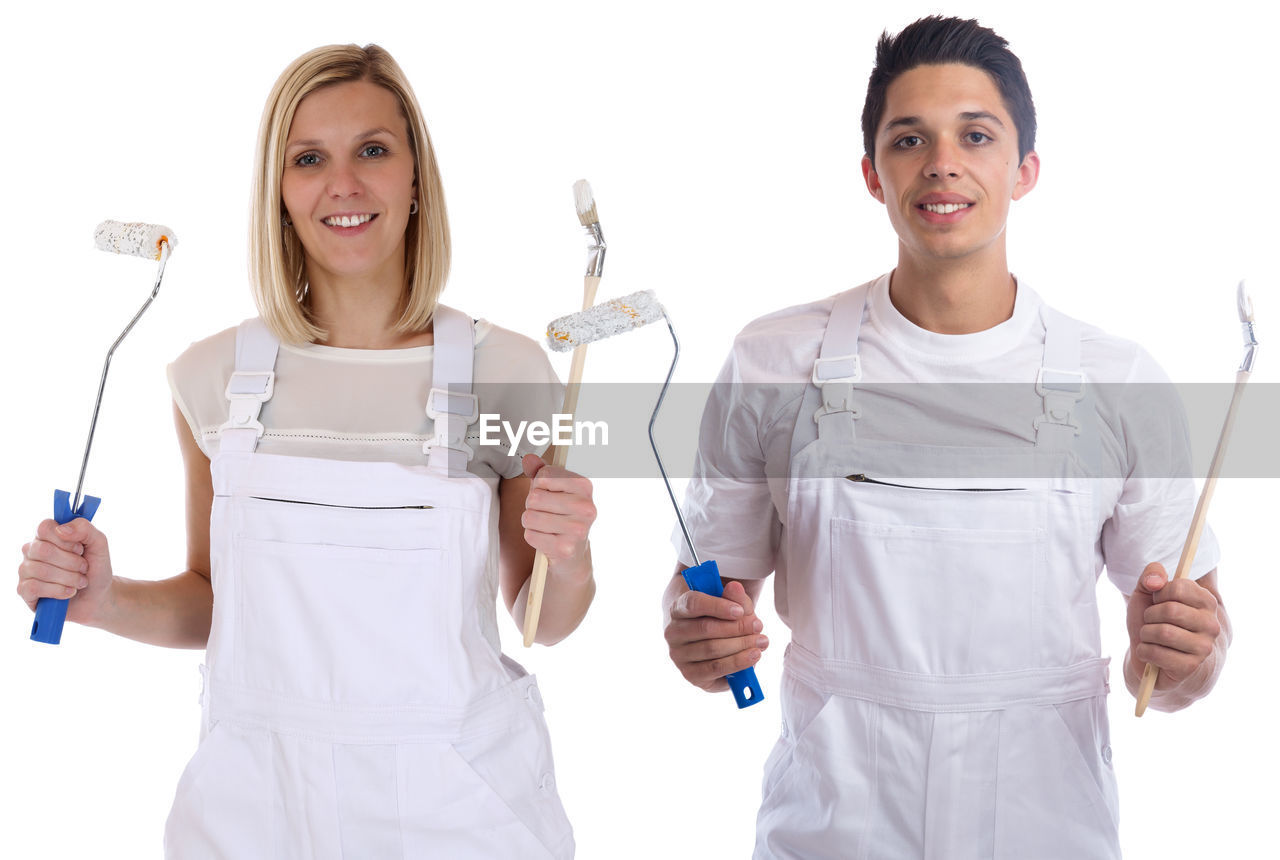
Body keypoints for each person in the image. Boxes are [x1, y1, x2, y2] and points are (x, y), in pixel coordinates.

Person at [662, 16, 1231, 859]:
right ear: (872, 173)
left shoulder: (1121, 381)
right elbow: (704, 598)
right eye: (908, 138)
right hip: (832, 828)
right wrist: (697, 635)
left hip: (1047, 828)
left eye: (975, 134)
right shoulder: (775, 360)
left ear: (1025, 169)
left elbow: (1191, 662)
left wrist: (1185, 658)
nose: (942, 163)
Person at [17, 44, 592, 858]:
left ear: (417, 176)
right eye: (309, 158)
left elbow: (546, 621)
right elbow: (220, 603)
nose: (344, 185)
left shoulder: (507, 371)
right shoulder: (212, 378)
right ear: (279, 191)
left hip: (461, 810)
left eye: (374, 151)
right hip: (258, 810)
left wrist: (566, 552)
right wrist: (104, 598)